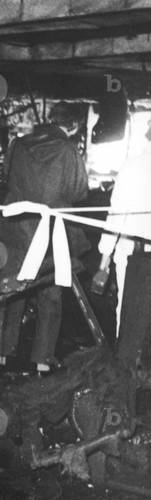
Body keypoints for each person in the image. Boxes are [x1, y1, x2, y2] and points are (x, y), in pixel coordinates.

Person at [0, 103, 90, 374]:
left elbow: (4, 178)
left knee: (10, 290)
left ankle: (1, 354)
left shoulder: (18, 144)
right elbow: (80, 191)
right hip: (50, 232)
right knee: (50, 293)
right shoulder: (69, 150)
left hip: (17, 227)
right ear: (74, 126)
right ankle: (42, 359)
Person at [98, 123, 151, 373]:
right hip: (134, 252)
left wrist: (104, 259)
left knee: (129, 324)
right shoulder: (132, 167)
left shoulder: (131, 167)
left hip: (134, 254)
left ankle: (126, 392)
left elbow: (116, 215)